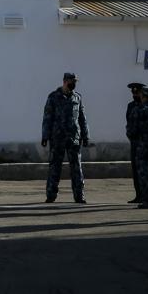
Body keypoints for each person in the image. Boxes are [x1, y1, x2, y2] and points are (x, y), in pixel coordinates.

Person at [42, 72, 89, 204]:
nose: (73, 84)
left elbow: (82, 118)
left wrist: (86, 135)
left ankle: (79, 196)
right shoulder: (53, 97)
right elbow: (47, 117)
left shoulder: (77, 97)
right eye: (71, 81)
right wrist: (45, 136)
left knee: (76, 168)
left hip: (74, 138)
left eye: (75, 82)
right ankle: (51, 195)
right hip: (57, 138)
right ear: (64, 81)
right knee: (55, 167)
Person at [125, 82, 145, 204]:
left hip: (146, 143)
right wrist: (130, 135)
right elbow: (128, 122)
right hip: (135, 143)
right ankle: (139, 195)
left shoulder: (147, 105)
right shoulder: (131, 106)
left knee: (146, 170)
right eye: (133, 93)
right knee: (136, 169)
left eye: (137, 93)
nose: (135, 95)